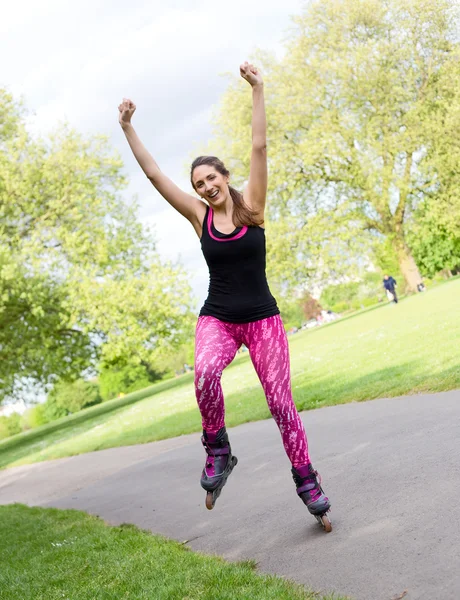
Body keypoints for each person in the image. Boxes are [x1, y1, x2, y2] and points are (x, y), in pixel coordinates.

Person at [118, 62, 331, 531]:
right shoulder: (199, 217)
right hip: (218, 318)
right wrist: (128, 127)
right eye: (198, 184)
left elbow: (260, 145)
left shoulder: (252, 203)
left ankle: (306, 478)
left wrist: (258, 89)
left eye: (211, 179)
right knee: (205, 371)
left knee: (281, 403)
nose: (205, 187)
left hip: (262, 319)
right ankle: (218, 448)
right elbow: (155, 176)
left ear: (224, 176)